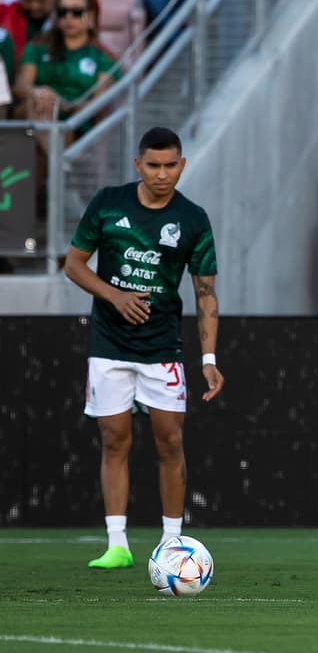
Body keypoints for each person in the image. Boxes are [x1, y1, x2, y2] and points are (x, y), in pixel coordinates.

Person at [64, 126, 222, 569]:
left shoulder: (193, 218)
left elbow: (205, 293)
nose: (162, 174)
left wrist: (208, 359)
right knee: (114, 438)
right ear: (138, 165)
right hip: (109, 341)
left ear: (182, 165)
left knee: (170, 440)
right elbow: (73, 265)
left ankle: (172, 542)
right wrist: (113, 294)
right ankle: (117, 544)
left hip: (162, 345)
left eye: (170, 165)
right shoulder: (109, 203)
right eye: (153, 165)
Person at [13, 0, 117, 124]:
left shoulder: (104, 57)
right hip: (35, 116)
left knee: (47, 113)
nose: (68, 17)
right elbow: (21, 85)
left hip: (76, 126)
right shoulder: (37, 46)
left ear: (92, 15)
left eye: (77, 12)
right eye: (62, 12)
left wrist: (64, 105)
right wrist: (37, 93)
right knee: (35, 106)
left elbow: (100, 105)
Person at [0, 0, 54, 70]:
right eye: (28, 0)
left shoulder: (69, 14)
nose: (35, 6)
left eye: (41, 0)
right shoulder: (5, 14)